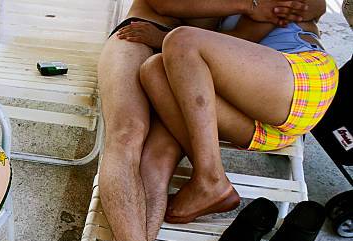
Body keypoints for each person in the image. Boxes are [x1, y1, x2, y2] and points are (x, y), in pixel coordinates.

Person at [71, 0, 326, 241]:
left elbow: (305, 10)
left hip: (190, 68)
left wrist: (257, 12)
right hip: (145, 38)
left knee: (157, 155)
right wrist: (250, 7)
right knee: (130, 137)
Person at [139, 6, 338, 224]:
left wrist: (161, 37)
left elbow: (245, 35)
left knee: (182, 41)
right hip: (261, 123)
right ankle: (214, 181)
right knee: (154, 70)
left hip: (303, 82)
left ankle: (208, 179)